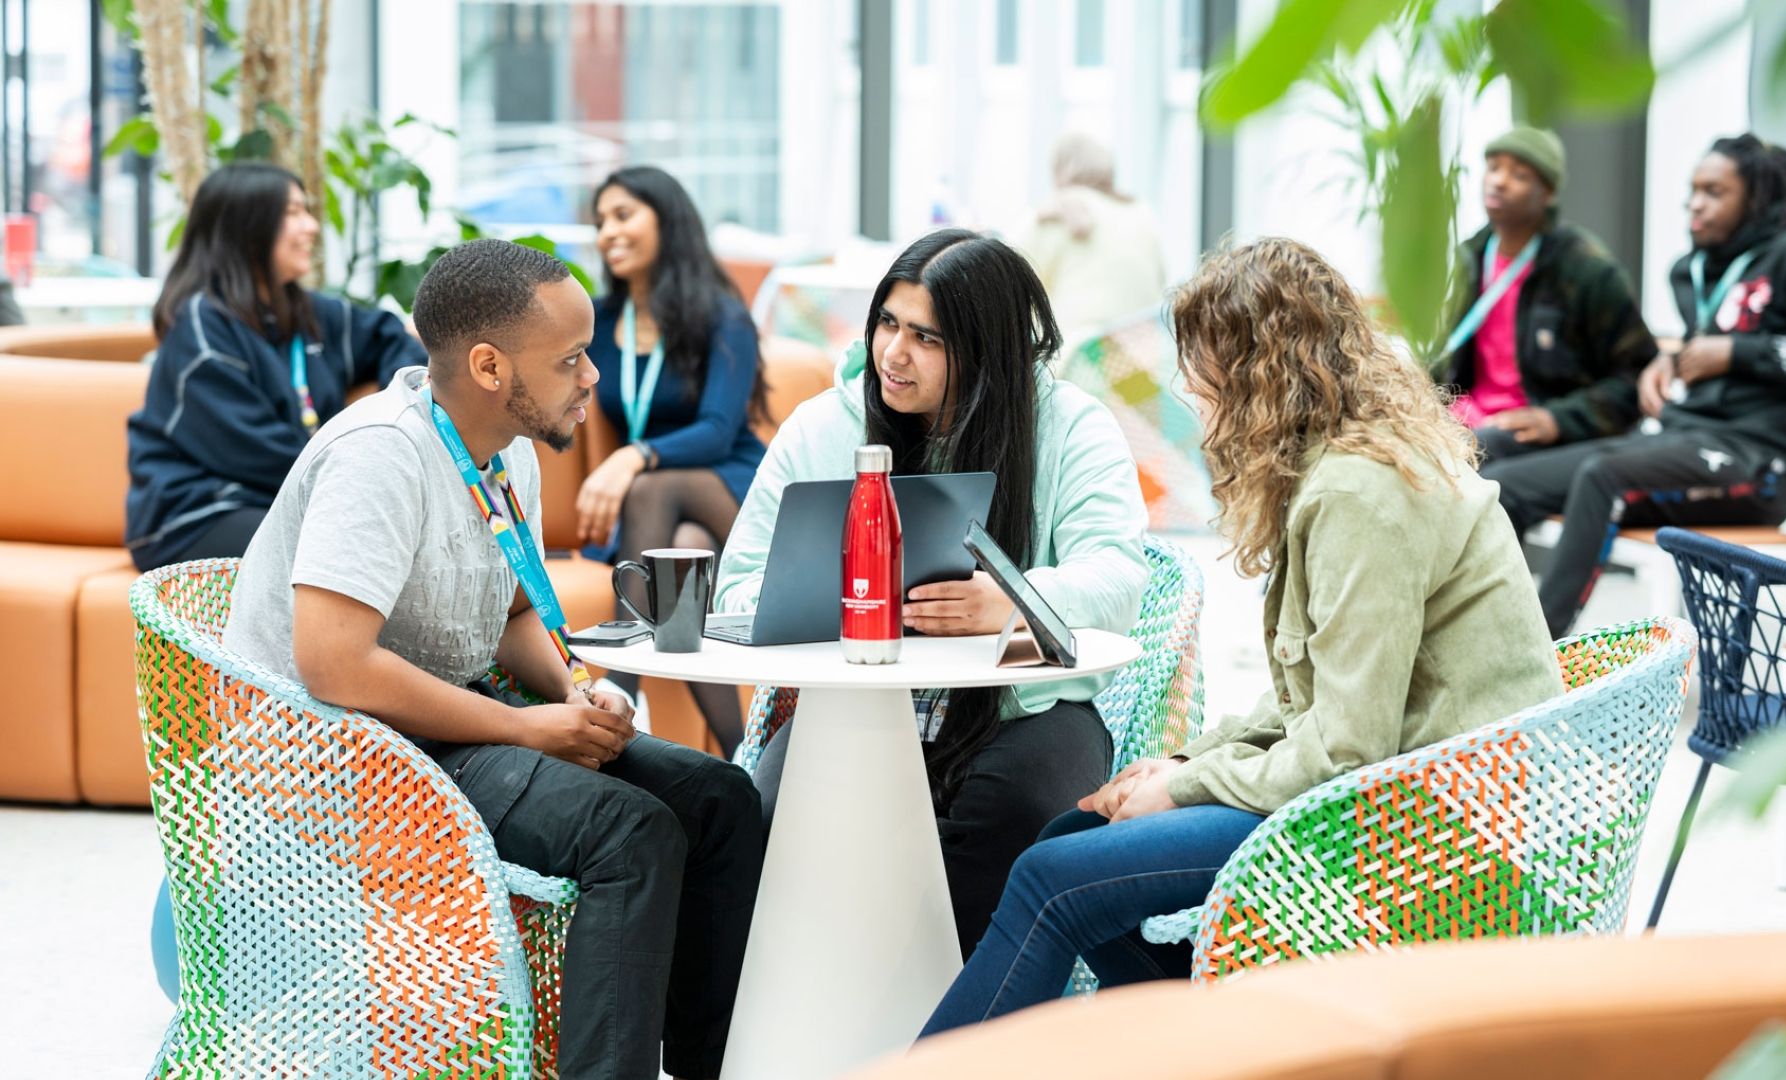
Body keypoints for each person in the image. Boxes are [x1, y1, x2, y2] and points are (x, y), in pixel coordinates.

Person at [917, 236, 1564, 1036]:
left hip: (1428, 827)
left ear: (1260, 374)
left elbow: (1348, 746)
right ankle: (1220, 1045)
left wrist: (1184, 787)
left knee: (1054, 878)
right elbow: (1316, 697)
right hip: (1398, 791)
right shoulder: (1345, 465)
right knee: (1074, 837)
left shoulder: (1359, 494)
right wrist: (1188, 762)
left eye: (1204, 365)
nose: (1189, 388)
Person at [219, 238, 764, 1080]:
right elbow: (333, 665)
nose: (593, 378)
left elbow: (512, 614)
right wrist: (523, 727)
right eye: (573, 359)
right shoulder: (381, 455)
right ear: (487, 365)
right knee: (630, 831)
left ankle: (706, 1065)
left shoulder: (506, 446)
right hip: (332, 756)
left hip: (435, 725)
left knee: (719, 797)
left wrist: (577, 691)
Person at [717, 228, 1149, 957]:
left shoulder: (1073, 428)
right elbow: (738, 589)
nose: (894, 353)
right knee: (771, 827)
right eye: (887, 323)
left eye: (927, 337)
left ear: (987, 349)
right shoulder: (827, 426)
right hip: (860, 704)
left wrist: (1014, 600)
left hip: (1023, 709)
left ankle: (950, 1034)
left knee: (1019, 817)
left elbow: (1116, 576)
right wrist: (848, 598)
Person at [1482, 134, 1786, 637]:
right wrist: (1670, 361)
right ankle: (1491, 640)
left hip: (1754, 462)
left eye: (1714, 192)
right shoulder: (1695, 270)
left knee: (1604, 476)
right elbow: (1716, 336)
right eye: (1692, 191)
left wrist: (1735, 352)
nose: (1695, 204)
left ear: (1755, 197)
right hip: (1677, 440)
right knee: (1503, 483)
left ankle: (1535, 655)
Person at [125, 161, 425, 572]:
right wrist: (363, 472)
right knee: (358, 549)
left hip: (286, 501)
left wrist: (399, 408)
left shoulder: (308, 313)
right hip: (199, 516)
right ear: (246, 229)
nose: (312, 227)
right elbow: (255, 453)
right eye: (293, 213)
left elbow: (390, 337)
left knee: (386, 542)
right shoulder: (201, 326)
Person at [573, 165, 769, 756]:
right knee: (678, 552)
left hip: (727, 483)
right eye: (601, 220)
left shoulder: (722, 315)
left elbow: (715, 429)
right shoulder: (601, 322)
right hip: (656, 516)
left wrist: (633, 457)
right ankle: (744, 760)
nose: (609, 232)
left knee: (653, 495)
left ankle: (620, 684)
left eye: (624, 215)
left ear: (668, 219)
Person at [1432, 127, 1658, 461]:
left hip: (1526, 429)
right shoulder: (1471, 258)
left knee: (1455, 463)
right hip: (1464, 417)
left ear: (1547, 193)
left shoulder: (1586, 269)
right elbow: (1447, 360)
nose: (1499, 182)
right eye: (1493, 168)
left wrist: (1557, 419)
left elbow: (1634, 377)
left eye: (1519, 175)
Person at [1015, 133, 1167, 345]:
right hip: (1142, 357)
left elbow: (1011, 284)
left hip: (1075, 359)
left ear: (1060, 169)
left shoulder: (1054, 212)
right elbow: (1160, 281)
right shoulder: (1141, 211)